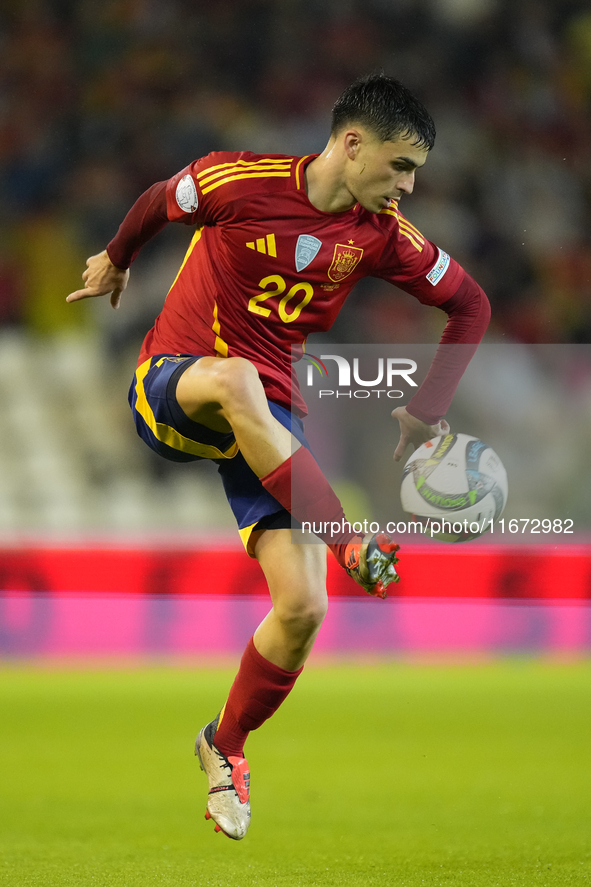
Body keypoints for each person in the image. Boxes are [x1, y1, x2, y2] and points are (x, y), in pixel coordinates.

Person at [67, 73, 490, 840]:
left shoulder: (382, 236)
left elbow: (470, 305)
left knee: (302, 609)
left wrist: (425, 410)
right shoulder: (242, 180)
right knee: (233, 380)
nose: (408, 185)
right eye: (399, 166)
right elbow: (163, 197)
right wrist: (116, 258)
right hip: (177, 384)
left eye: (415, 171)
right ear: (351, 144)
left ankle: (222, 746)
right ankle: (350, 537)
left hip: (268, 416)